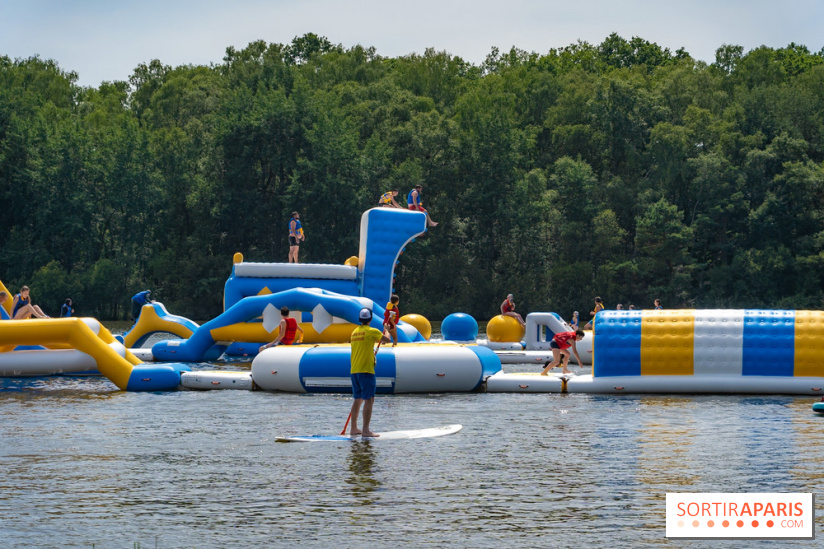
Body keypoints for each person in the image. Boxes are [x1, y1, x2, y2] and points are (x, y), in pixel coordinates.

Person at [349, 307, 390, 437]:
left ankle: (354, 428)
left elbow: (364, 347)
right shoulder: (373, 331)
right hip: (366, 370)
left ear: (360, 319)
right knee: (369, 399)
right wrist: (387, 330)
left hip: (354, 369)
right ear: (370, 319)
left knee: (357, 399)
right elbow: (387, 340)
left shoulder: (354, 332)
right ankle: (366, 431)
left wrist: (372, 354)